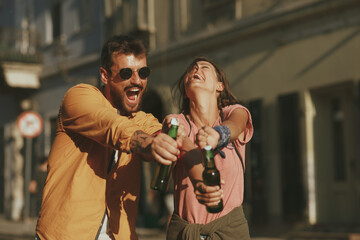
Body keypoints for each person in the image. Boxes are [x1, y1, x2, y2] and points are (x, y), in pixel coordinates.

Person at [35, 35, 181, 240]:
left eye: (143, 72)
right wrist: (151, 144)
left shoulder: (141, 118)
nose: (137, 80)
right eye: (126, 73)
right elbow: (112, 126)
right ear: (105, 75)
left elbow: (163, 135)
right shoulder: (79, 97)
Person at [166, 57, 254, 240]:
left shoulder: (234, 112)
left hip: (230, 232)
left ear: (219, 86)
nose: (196, 70)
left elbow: (236, 125)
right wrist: (201, 182)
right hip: (184, 232)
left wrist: (220, 134)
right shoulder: (176, 122)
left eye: (204, 67)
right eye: (192, 69)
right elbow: (185, 149)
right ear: (185, 88)